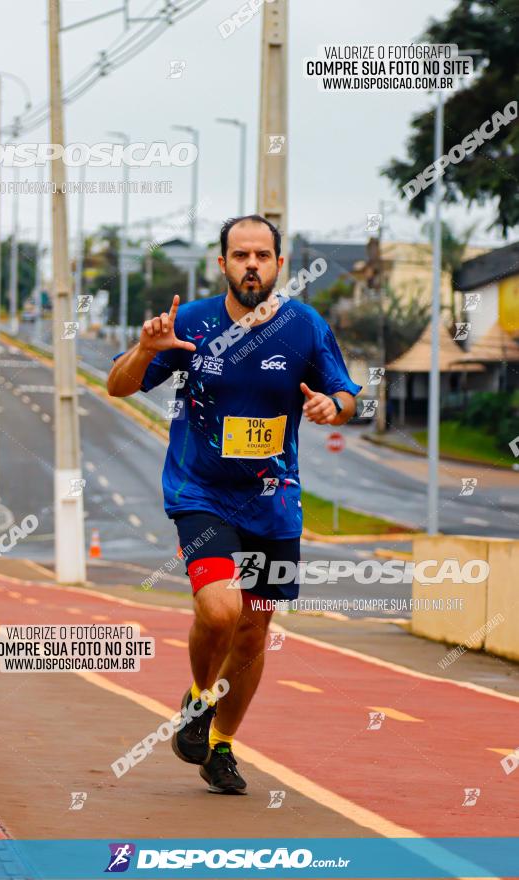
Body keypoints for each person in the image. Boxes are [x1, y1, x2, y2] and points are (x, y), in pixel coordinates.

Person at [108, 214, 361, 794]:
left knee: (253, 628)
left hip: (273, 500)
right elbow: (117, 386)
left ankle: (220, 746)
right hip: (201, 492)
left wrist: (333, 407)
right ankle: (199, 700)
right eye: (240, 255)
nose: (252, 265)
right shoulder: (191, 322)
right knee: (221, 611)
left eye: (263, 255)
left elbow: (346, 393)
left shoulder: (304, 326)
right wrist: (145, 351)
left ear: (278, 265)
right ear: (221, 263)